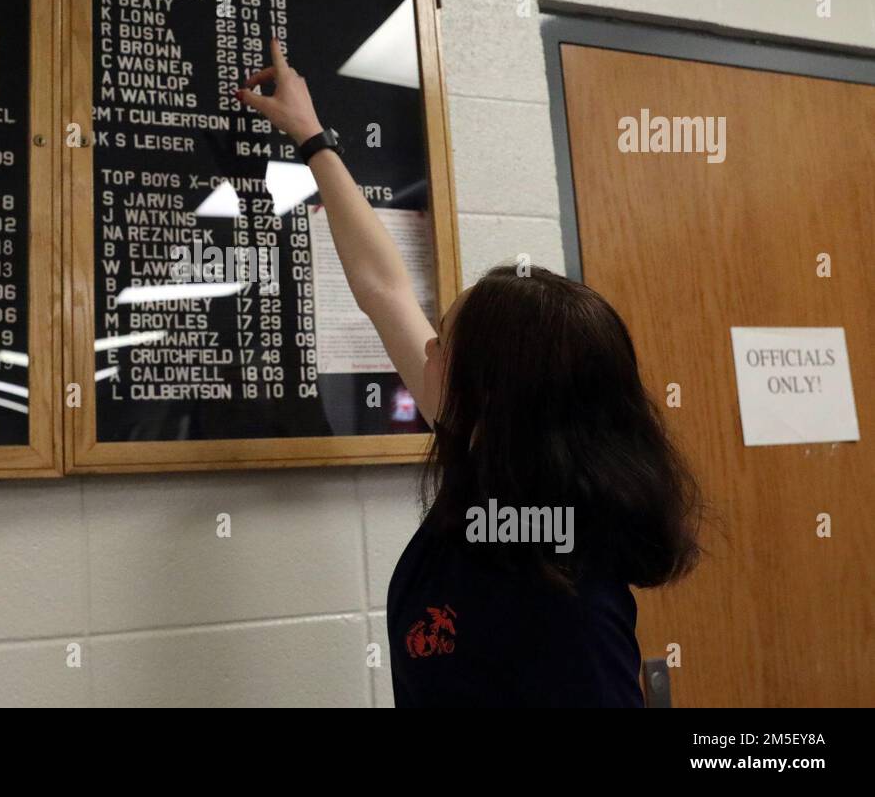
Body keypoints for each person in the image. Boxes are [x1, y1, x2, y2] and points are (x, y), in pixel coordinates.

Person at [236, 40, 703, 707]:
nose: (424, 354)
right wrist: (313, 137)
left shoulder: (570, 599)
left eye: (442, 348)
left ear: (492, 397)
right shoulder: (499, 485)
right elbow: (383, 287)